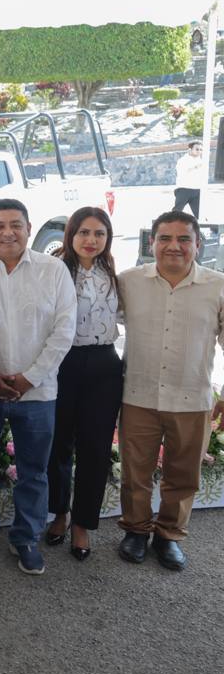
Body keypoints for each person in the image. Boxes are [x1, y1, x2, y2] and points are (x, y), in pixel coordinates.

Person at [0, 198, 76, 576]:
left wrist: (29, 378)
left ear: (29, 229)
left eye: (16, 225)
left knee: (33, 470)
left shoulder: (53, 270)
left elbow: (64, 331)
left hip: (37, 393)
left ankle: (26, 537)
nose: (8, 233)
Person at [115, 210, 224, 571]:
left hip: (191, 397)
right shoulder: (129, 282)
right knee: (135, 472)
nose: (173, 246)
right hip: (139, 395)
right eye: (164, 238)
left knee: (183, 474)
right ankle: (136, 530)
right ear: (152, 243)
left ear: (198, 244)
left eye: (183, 239)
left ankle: (169, 535)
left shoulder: (217, 286)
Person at [45, 207, 123, 561]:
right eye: (84, 232)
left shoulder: (113, 271)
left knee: (95, 448)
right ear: (71, 234)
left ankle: (83, 524)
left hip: (104, 365)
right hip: (64, 362)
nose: (91, 240)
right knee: (58, 443)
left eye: (99, 233)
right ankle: (59, 513)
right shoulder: (55, 269)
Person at [173, 141, 204, 217]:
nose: (199, 151)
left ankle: (208, 225)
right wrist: (195, 167)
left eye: (201, 149)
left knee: (200, 214)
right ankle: (169, 224)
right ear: (190, 150)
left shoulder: (200, 161)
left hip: (197, 190)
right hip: (184, 189)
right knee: (177, 212)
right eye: (197, 149)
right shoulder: (183, 160)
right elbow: (181, 172)